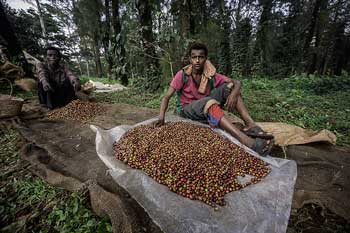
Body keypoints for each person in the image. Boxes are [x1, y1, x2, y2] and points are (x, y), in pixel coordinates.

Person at [154, 42, 274, 156]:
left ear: (205, 58)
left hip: (205, 105)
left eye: (200, 57)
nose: (197, 60)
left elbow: (236, 82)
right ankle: (246, 141)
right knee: (208, 102)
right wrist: (161, 116)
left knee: (229, 87)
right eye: (194, 57)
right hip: (187, 110)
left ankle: (250, 125)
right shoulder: (182, 75)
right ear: (190, 59)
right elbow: (166, 97)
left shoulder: (210, 74)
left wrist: (234, 93)